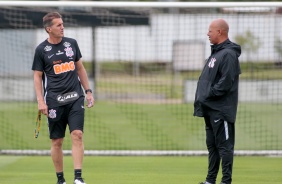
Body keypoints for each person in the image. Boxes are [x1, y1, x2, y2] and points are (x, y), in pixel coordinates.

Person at [32, 12, 94, 184]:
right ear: (48, 29)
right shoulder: (41, 50)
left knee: (77, 134)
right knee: (57, 141)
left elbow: (80, 68)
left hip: (75, 98)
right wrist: (40, 101)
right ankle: (61, 180)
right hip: (53, 101)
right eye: (58, 25)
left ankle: (78, 178)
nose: (62, 27)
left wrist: (88, 91)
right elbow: (37, 77)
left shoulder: (71, 44)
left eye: (62, 24)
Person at [193, 18, 241, 184]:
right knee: (212, 146)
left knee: (224, 147)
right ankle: (210, 181)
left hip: (221, 109)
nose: (208, 33)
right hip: (210, 108)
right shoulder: (217, 53)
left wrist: (208, 95)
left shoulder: (228, 54)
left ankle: (226, 181)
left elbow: (226, 83)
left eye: (210, 30)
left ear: (220, 32)